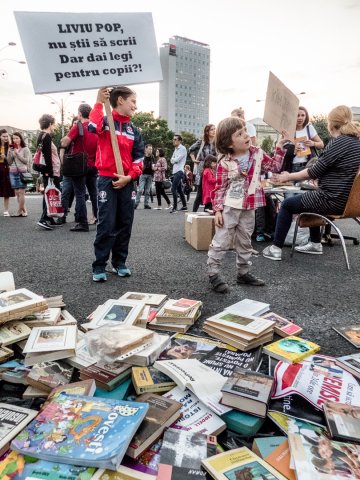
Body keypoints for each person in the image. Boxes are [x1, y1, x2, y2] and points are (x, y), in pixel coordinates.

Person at [263, 105, 360, 260]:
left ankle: (275, 249)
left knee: (288, 205)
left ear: (331, 124)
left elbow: (313, 171)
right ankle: (315, 244)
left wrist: (288, 177)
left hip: (332, 200)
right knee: (311, 195)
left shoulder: (338, 143)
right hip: (349, 201)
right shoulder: (357, 143)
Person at [207, 116, 288, 293]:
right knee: (221, 240)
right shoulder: (225, 163)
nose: (246, 135)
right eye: (239, 134)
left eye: (245, 131)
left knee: (245, 241)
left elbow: (274, 167)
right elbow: (219, 188)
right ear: (229, 143)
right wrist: (218, 210)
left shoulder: (257, 153)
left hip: (249, 205)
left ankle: (243, 272)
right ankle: (213, 273)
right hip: (230, 206)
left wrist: (279, 147)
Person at [89, 86, 144, 282]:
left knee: (125, 222)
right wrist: (97, 101)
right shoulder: (105, 121)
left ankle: (120, 262)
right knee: (106, 222)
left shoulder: (134, 130)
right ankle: (99, 265)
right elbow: (91, 127)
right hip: (106, 179)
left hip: (127, 181)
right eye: (133, 102)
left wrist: (129, 177)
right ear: (120, 100)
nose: (136, 107)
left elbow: (139, 159)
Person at [60, 103, 98, 231]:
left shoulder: (78, 126)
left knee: (80, 194)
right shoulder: (95, 128)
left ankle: (83, 223)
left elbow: (65, 142)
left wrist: (65, 138)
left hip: (80, 165)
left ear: (80, 114)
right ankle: (99, 219)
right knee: (94, 194)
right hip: (94, 165)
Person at [36, 114, 62, 230]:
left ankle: (50, 218)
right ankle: (44, 219)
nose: (54, 126)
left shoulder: (40, 135)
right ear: (50, 124)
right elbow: (47, 156)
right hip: (51, 172)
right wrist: (49, 173)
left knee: (49, 194)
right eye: (53, 124)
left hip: (47, 171)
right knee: (50, 194)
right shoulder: (47, 136)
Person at [282, 106, 324, 174]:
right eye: (297, 115)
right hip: (290, 168)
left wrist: (313, 143)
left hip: (307, 167)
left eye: (302, 115)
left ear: (306, 116)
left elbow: (322, 144)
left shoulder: (309, 128)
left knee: (305, 185)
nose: (300, 118)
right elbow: (279, 148)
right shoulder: (288, 130)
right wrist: (293, 149)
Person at [189, 124, 217, 212]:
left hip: (214, 169)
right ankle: (193, 213)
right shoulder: (201, 142)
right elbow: (190, 149)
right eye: (212, 129)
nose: (214, 131)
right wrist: (193, 159)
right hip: (203, 169)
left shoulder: (217, 142)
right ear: (207, 132)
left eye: (214, 129)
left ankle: (207, 211)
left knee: (212, 191)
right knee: (200, 193)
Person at [7, 132, 30, 217]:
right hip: (13, 172)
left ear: (21, 139)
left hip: (22, 172)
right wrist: (10, 153)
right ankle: (24, 211)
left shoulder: (25, 149)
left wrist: (17, 154)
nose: (15, 140)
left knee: (21, 192)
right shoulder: (11, 149)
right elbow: (9, 162)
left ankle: (19, 211)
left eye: (17, 138)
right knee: (17, 192)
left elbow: (26, 161)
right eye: (13, 138)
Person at [169, 134, 187, 213]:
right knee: (179, 190)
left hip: (179, 171)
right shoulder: (175, 149)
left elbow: (177, 160)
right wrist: (174, 160)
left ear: (180, 141)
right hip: (175, 171)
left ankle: (175, 208)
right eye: (173, 139)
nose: (174, 141)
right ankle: (184, 205)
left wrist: (174, 160)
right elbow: (171, 160)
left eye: (175, 139)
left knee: (173, 188)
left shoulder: (182, 148)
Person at [134, 144, 154, 210]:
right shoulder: (142, 157)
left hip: (150, 175)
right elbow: (138, 164)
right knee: (140, 190)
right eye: (149, 149)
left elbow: (153, 165)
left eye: (151, 149)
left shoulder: (152, 157)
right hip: (143, 175)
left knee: (147, 191)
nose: (151, 150)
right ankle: (136, 204)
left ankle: (146, 204)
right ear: (146, 149)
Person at [0, 129, 14, 216]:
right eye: (3, 136)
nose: (5, 138)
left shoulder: (9, 147)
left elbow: (10, 162)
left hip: (5, 169)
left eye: (6, 136)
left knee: (6, 190)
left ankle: (6, 210)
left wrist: (5, 157)